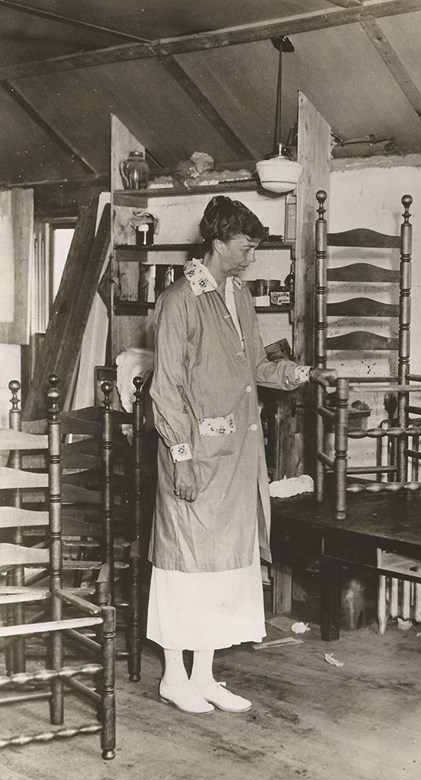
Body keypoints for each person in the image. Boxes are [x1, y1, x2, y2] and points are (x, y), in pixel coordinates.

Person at [147, 196, 336, 715]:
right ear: (218, 242)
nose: (251, 256)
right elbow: (164, 389)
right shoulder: (179, 299)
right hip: (193, 457)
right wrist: (181, 457)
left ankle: (204, 674)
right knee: (185, 566)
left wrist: (302, 374)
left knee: (225, 569)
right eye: (245, 247)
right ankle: (172, 676)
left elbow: (255, 366)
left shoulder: (239, 294)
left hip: (235, 458)